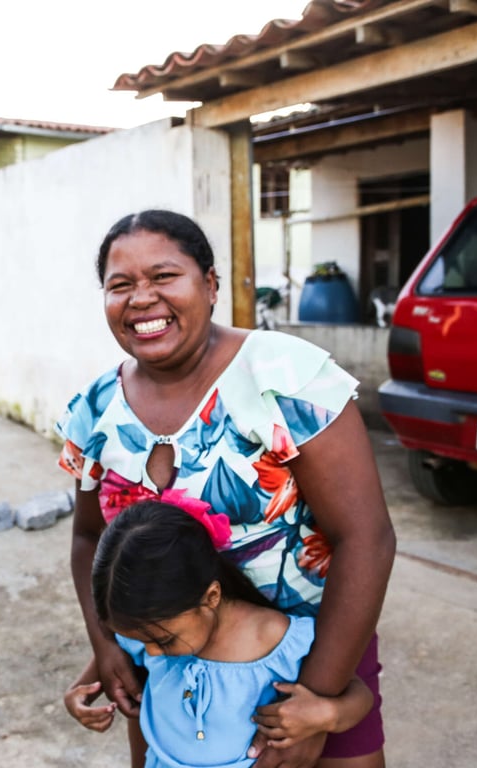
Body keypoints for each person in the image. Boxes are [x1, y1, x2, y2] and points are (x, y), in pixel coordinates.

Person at [55, 210, 395, 768]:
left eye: (164, 277)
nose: (142, 298)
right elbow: (90, 539)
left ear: (210, 285)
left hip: (316, 654)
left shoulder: (285, 377)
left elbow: (367, 538)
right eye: (121, 285)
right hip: (171, 668)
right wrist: (108, 645)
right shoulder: (94, 411)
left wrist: (314, 703)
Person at [64, 500, 373, 768]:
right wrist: (80, 691)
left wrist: (324, 715)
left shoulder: (279, 640)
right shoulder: (151, 631)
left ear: (210, 597)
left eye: (164, 641)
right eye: (144, 642)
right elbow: (115, 655)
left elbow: (360, 696)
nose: (151, 653)